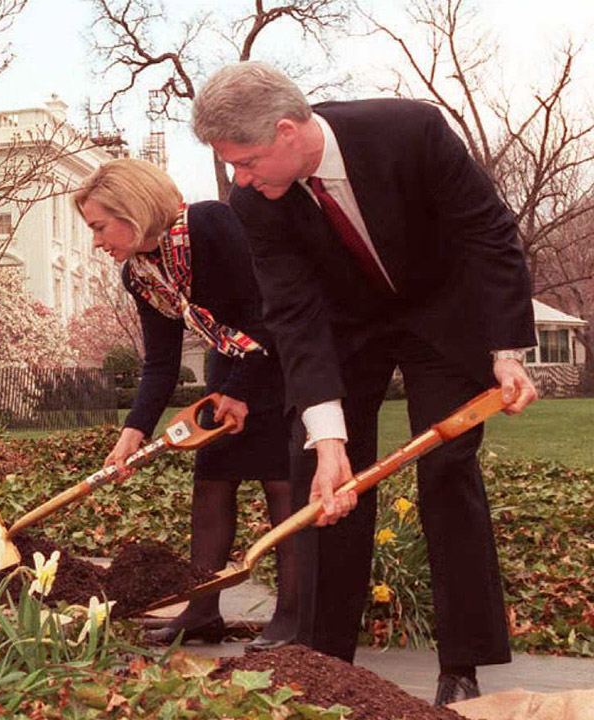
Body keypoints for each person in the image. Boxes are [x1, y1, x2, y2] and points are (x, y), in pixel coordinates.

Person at [192, 62, 538, 705]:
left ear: (289, 131)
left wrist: (507, 349)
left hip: (441, 315)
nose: (239, 179)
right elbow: (292, 313)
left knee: (446, 470)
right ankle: (329, 661)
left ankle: (460, 663)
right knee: (324, 477)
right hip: (345, 330)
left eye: (246, 161)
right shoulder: (254, 203)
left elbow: (488, 232)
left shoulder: (411, 131)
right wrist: (329, 440)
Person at [75, 158, 297, 652]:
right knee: (212, 481)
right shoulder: (141, 273)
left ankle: (293, 618)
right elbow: (160, 362)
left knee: (283, 484)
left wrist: (241, 391)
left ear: (131, 209)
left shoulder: (208, 225)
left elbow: (263, 307)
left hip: (281, 356)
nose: (96, 241)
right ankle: (201, 613)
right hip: (232, 367)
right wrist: (133, 430)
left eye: (98, 226)